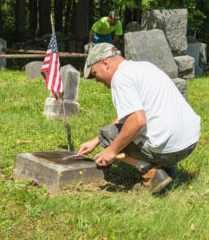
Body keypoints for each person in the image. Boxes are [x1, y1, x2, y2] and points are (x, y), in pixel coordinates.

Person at [79, 43, 201, 193]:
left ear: (105, 63)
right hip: (189, 142)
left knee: (108, 134)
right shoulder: (144, 67)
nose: (96, 80)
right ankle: (168, 171)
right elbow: (128, 119)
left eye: (95, 74)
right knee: (110, 134)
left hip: (168, 150)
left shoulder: (120, 77)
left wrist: (111, 150)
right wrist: (95, 141)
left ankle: (151, 173)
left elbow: (137, 121)